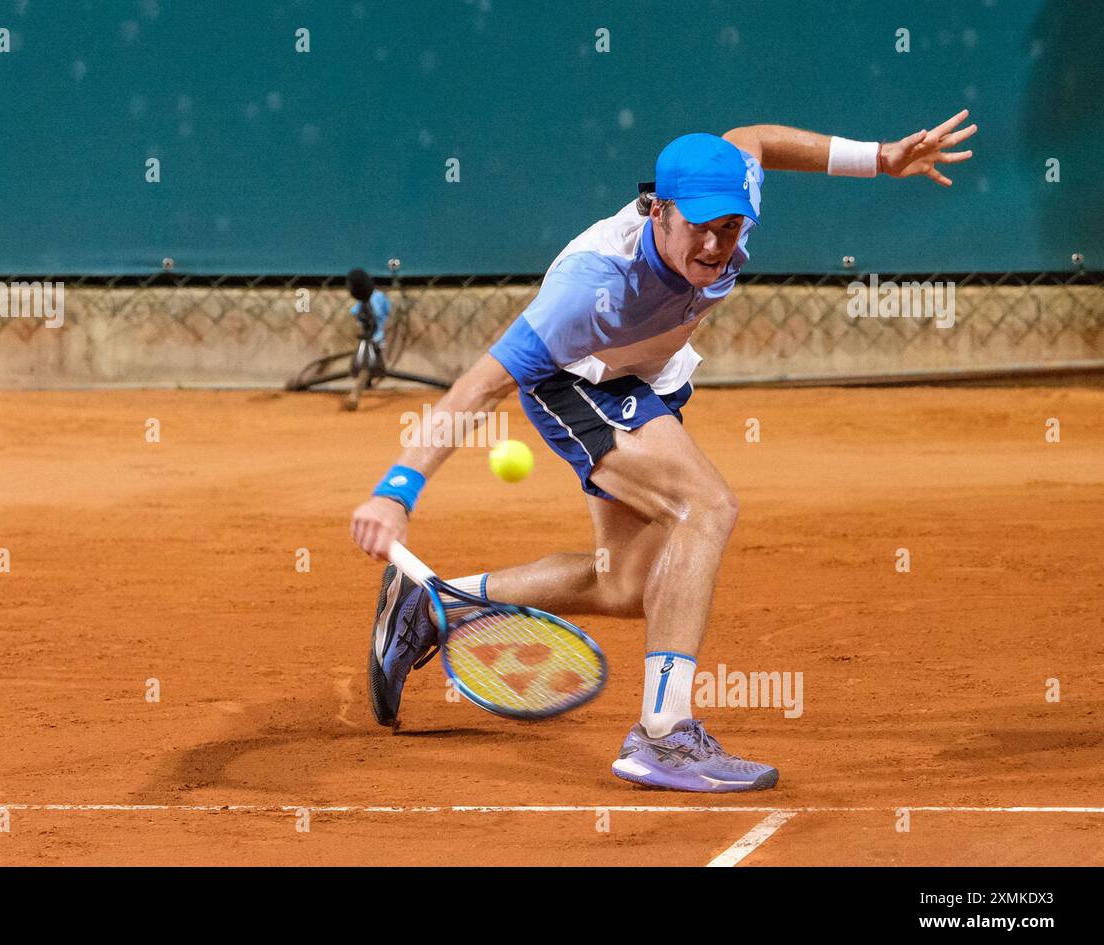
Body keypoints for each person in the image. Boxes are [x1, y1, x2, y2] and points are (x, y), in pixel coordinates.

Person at [352, 111, 977, 791]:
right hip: (579, 380)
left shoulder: (734, 201)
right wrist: (397, 489)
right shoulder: (592, 288)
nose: (714, 243)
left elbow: (754, 138)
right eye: (698, 226)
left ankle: (437, 602)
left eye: (728, 226)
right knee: (704, 506)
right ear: (657, 210)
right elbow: (482, 384)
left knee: (624, 586)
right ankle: (663, 735)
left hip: (651, 378)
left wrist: (880, 158)